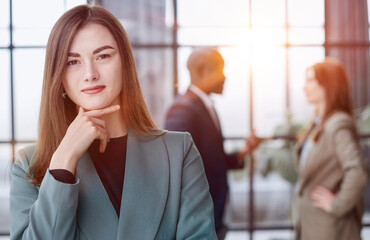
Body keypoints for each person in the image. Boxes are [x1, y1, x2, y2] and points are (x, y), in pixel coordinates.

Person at [10, 5, 217, 240]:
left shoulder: (178, 152)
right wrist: (63, 161)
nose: (90, 73)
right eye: (73, 62)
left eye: (103, 56)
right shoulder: (28, 165)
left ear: (126, 64)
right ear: (59, 77)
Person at [249, 58, 368, 240]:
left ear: (328, 85)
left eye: (311, 81)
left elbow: (357, 172)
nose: (305, 87)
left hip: (330, 228)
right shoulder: (316, 124)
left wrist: (337, 204)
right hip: (312, 226)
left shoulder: (338, 124)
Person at [165, 47, 259, 238]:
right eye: (220, 70)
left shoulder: (204, 106)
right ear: (202, 71)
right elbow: (177, 169)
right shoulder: (183, 110)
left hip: (213, 214)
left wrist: (243, 152)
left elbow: (210, 159)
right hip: (199, 220)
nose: (224, 77)